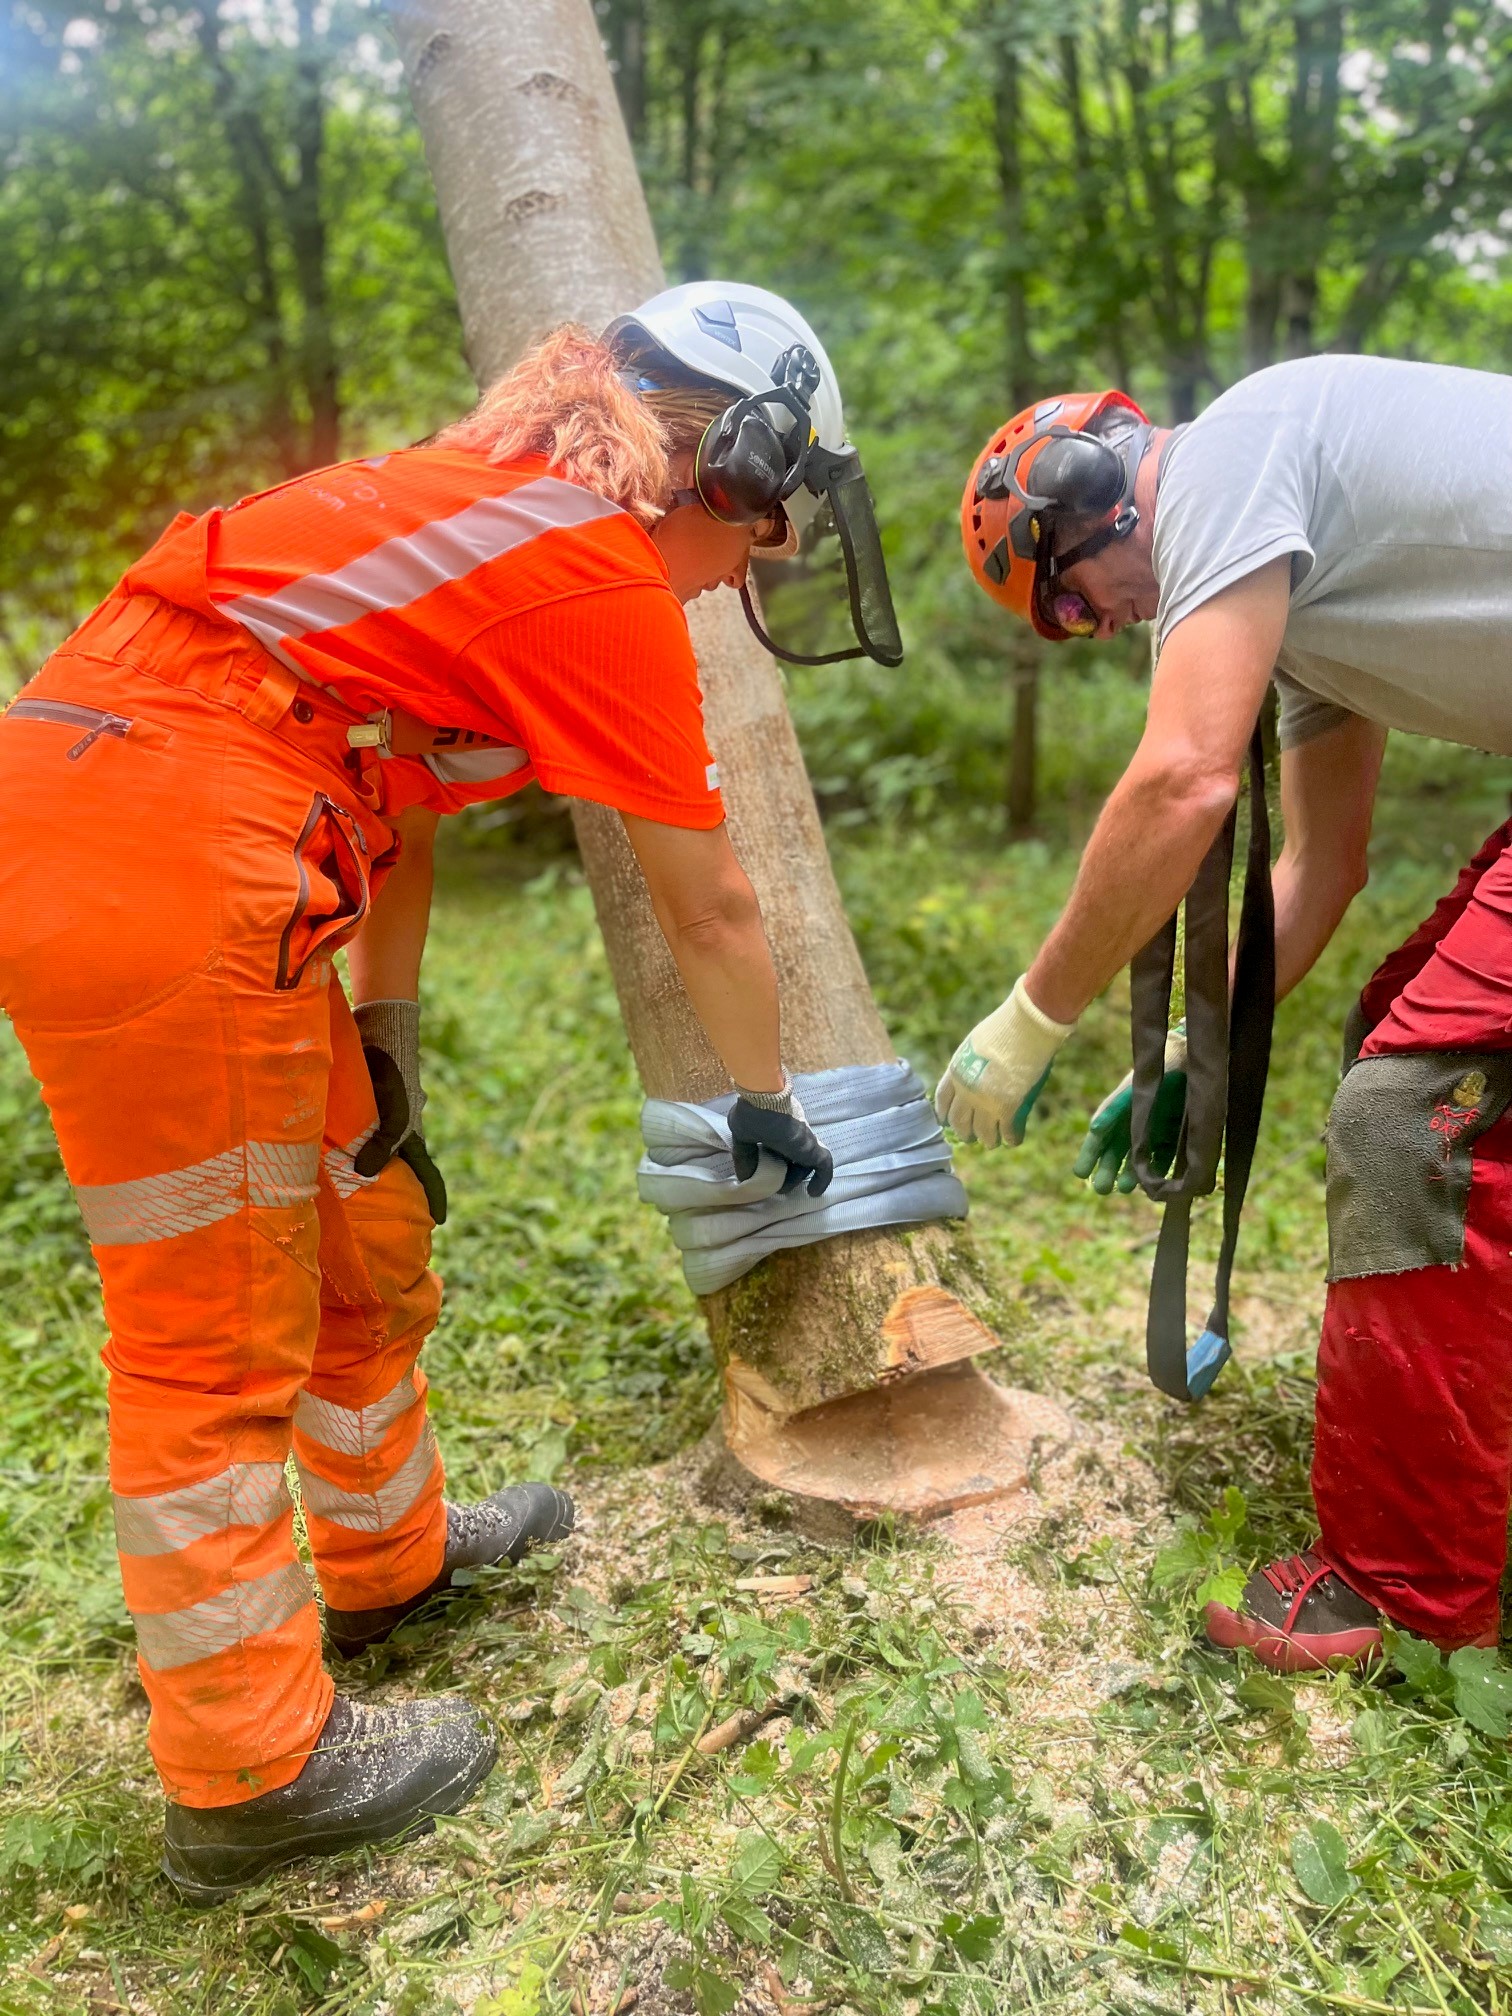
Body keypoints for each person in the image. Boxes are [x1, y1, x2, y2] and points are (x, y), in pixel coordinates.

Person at [0, 279, 891, 1899]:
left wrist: (385, 1029)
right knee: (210, 1326)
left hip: (192, 808)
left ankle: (388, 1559)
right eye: (769, 527)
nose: (756, 568)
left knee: (362, 1226)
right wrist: (772, 1105)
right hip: (159, 828)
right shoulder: (589, 563)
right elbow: (713, 906)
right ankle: (248, 1766)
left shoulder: (488, 520)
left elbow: (390, 792)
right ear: (740, 468)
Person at [941, 356, 1512, 1673]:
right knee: (1429, 1047)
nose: (1090, 627)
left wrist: (1031, 1019)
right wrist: (1200, 1053)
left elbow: (1187, 779)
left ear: (1088, 497)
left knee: (1416, 1119)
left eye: (1067, 597)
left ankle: (1405, 1598)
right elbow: (1319, 867)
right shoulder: (1304, 597)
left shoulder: (1230, 454)